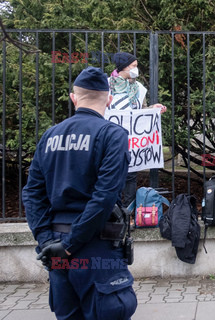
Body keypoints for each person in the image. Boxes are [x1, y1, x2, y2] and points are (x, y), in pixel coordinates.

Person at [22, 67, 137, 319]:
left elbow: (32, 194)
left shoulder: (49, 135)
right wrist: (70, 245)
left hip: (55, 248)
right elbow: (104, 197)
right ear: (109, 99)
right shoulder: (112, 135)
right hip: (93, 246)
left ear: (74, 98)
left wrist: (47, 242)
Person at [108, 52, 167, 208]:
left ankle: (127, 212)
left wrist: (152, 109)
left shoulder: (138, 88)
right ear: (123, 67)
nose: (136, 69)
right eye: (133, 66)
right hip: (111, 139)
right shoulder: (106, 85)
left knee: (131, 176)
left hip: (131, 140)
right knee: (111, 175)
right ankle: (112, 211)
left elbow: (140, 109)